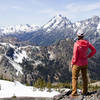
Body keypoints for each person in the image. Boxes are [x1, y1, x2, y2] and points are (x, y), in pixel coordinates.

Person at [71, 30, 96, 96]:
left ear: (78, 36)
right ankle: (85, 91)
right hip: (85, 63)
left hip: (77, 64)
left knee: (74, 78)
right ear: (83, 36)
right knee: (85, 77)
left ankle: (74, 92)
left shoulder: (76, 44)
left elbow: (75, 55)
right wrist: (88, 56)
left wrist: (73, 62)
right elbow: (94, 50)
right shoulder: (87, 43)